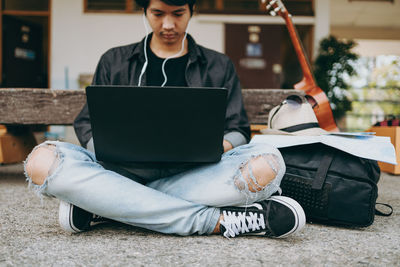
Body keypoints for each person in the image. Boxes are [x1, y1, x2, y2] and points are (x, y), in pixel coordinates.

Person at [24, 0, 306, 238]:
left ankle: (106, 203)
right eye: (158, 14)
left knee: (268, 162)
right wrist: (108, 147)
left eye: (178, 14)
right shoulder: (114, 61)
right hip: (120, 171)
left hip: (195, 175)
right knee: (42, 163)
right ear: (145, 12)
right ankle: (215, 222)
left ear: (191, 11)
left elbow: (237, 128)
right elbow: (87, 123)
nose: (168, 25)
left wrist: (216, 147)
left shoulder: (219, 65)